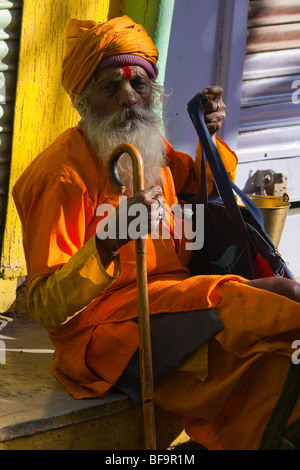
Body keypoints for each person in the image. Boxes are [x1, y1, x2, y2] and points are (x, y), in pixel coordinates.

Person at [12, 15, 300, 450]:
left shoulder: (152, 147)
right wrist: (109, 240)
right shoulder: (62, 175)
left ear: (154, 91)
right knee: (282, 301)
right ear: (83, 101)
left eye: (139, 85)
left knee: (283, 355)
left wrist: (208, 131)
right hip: (109, 334)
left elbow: (199, 184)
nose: (129, 98)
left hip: (178, 302)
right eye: (111, 87)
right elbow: (46, 306)